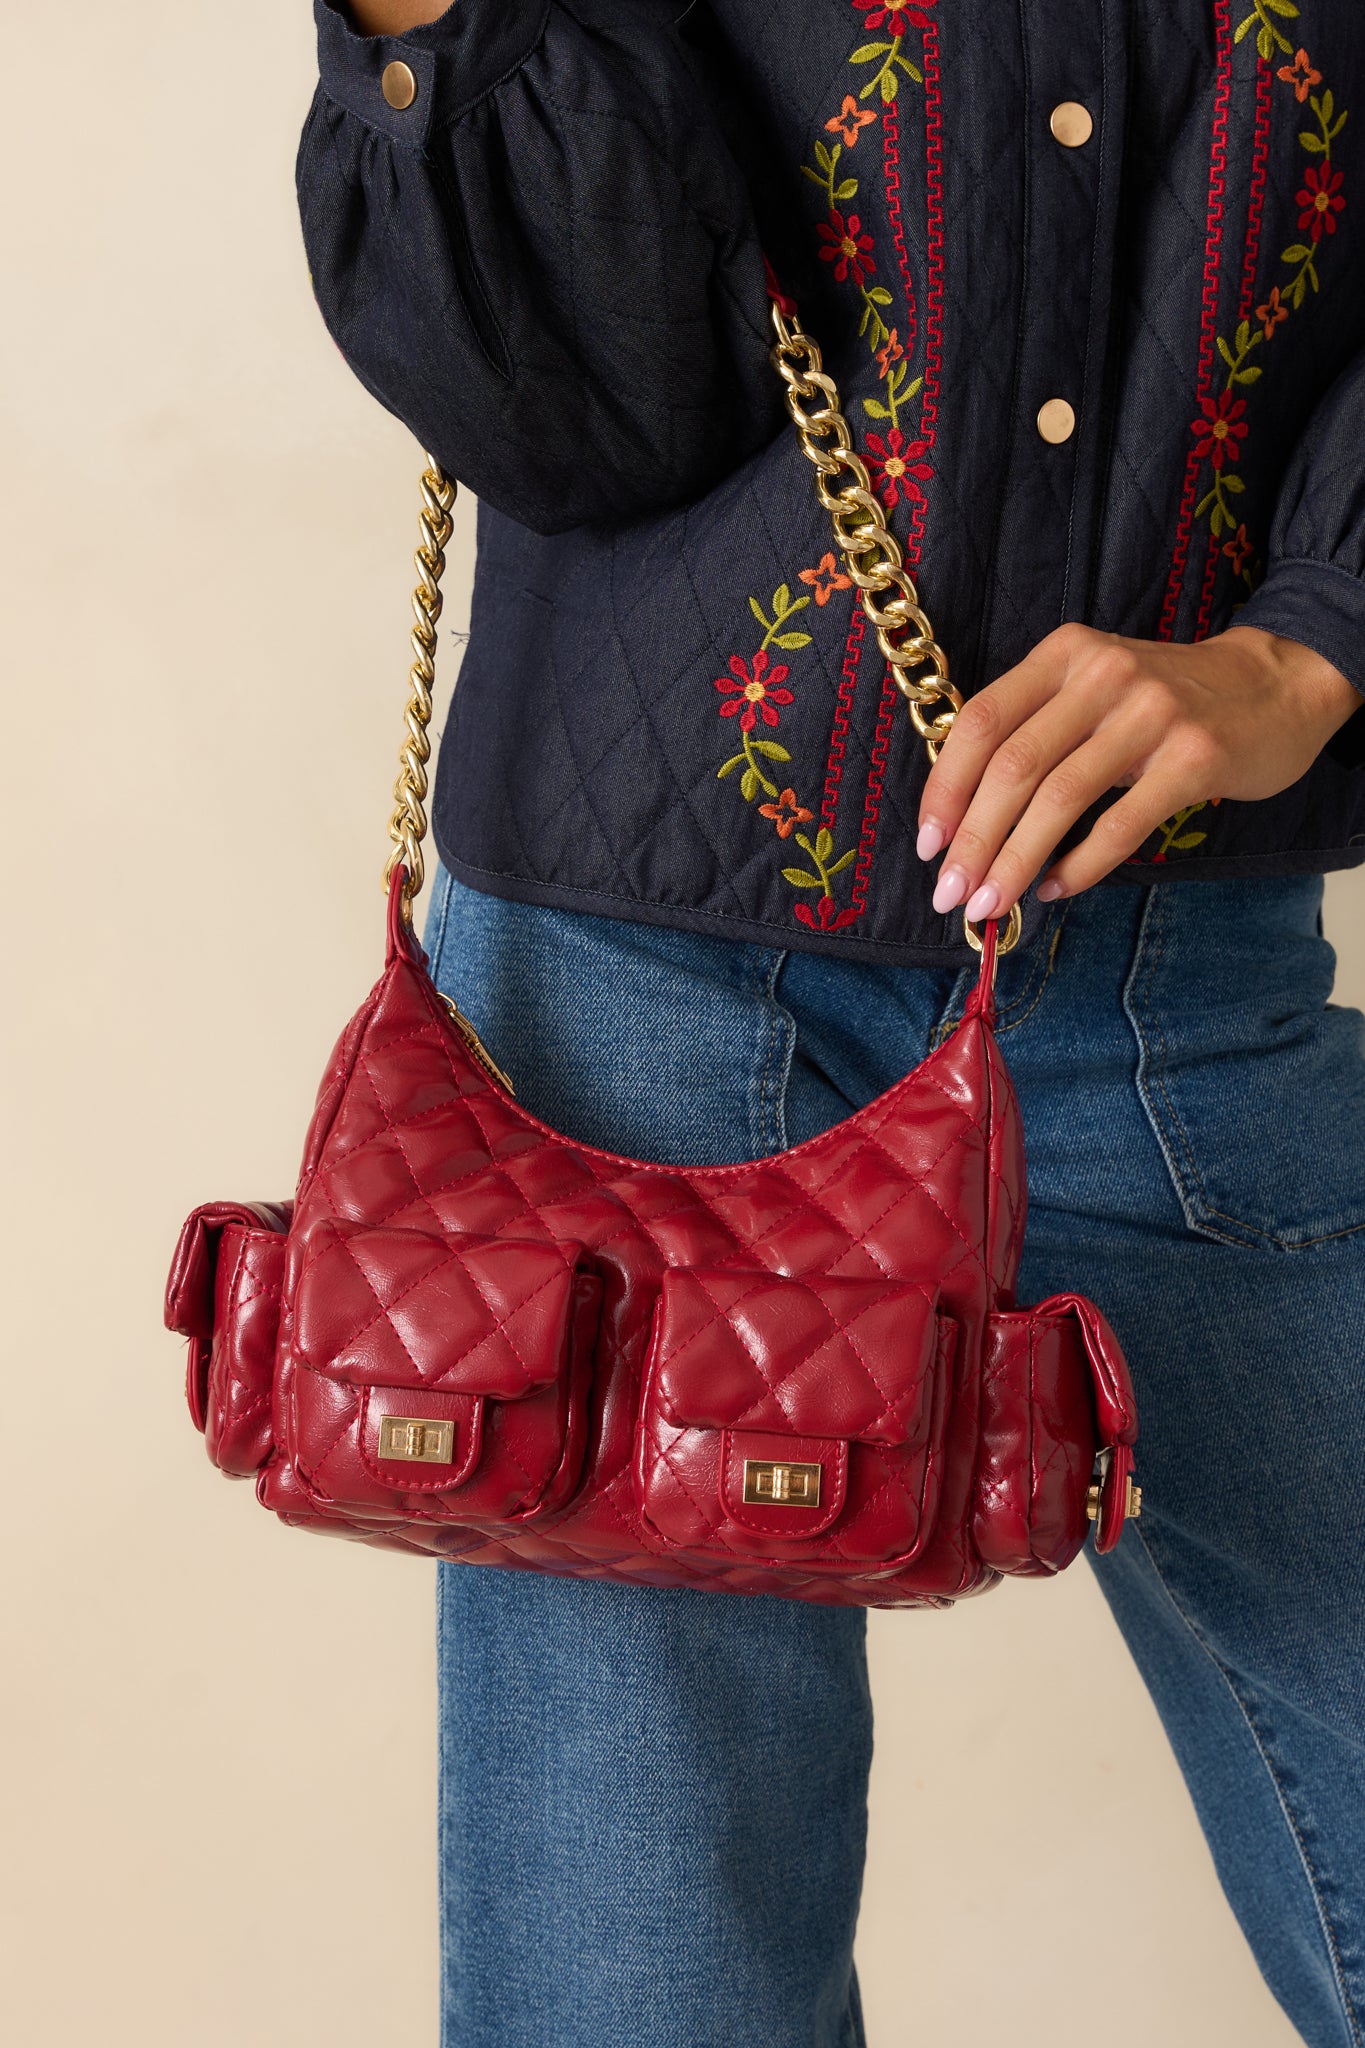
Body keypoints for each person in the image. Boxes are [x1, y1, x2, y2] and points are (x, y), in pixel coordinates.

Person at [297, 4, 1365, 2043]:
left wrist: (1306, 641)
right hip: (628, 1020)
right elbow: (586, 411)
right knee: (644, 1994)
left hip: (1181, 986)